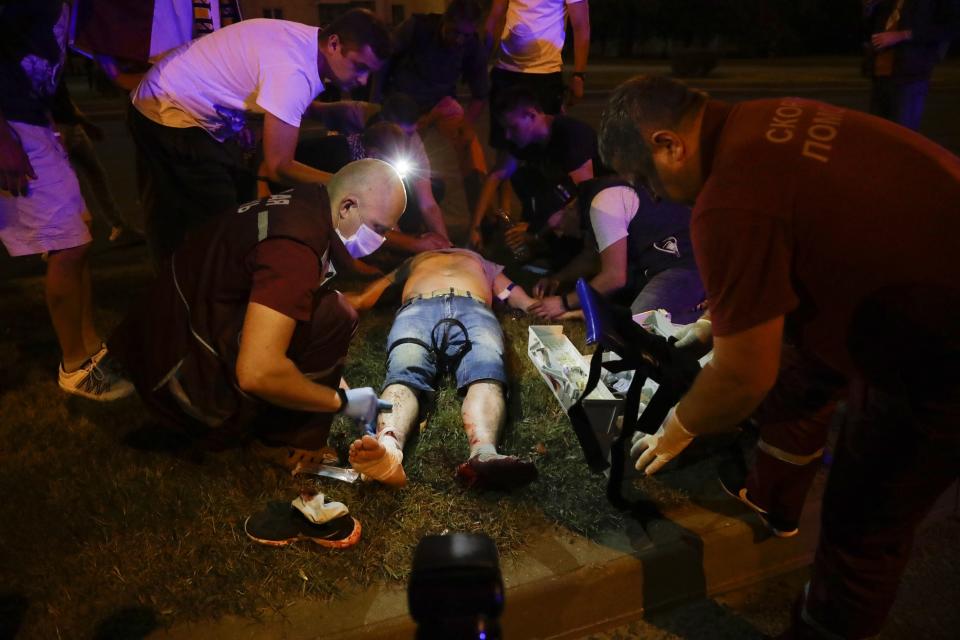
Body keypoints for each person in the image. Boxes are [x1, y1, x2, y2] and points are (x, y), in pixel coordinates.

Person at [598, 75, 960, 639]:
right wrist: (712, 325)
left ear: (669, 143)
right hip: (918, 286)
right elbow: (794, 239)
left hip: (938, 345)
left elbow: (745, 377)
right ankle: (776, 496)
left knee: (862, 525)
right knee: (811, 360)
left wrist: (676, 427)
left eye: (646, 177)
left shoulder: (727, 198)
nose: (657, 195)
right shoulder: (764, 120)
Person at [108, 160, 408, 469]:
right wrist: (341, 403)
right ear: (347, 207)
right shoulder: (295, 248)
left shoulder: (306, 205)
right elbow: (257, 372)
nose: (381, 242)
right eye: (379, 229)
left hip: (168, 343)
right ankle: (279, 439)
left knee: (320, 314)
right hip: (178, 378)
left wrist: (340, 388)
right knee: (335, 315)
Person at [128, 9, 392, 262]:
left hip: (174, 105)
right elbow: (279, 166)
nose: (363, 81)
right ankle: (190, 293)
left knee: (197, 212)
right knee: (219, 222)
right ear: (334, 44)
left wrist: (322, 112)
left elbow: (270, 85)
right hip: (167, 113)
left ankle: (180, 286)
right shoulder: (295, 70)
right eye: (360, 67)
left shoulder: (306, 42)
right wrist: (349, 184)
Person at [0, 0, 133, 401]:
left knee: (77, 236)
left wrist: (69, 120)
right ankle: (75, 366)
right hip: (14, 126)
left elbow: (48, 69)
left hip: (37, 124)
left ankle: (90, 349)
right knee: (68, 243)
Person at [344, 249, 539, 491]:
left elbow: (512, 292)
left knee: (486, 371)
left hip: (473, 307)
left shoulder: (480, 259)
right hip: (418, 307)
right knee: (404, 372)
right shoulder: (415, 258)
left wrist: (537, 304)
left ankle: (484, 454)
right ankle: (388, 451)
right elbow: (369, 295)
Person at [528, 176, 704, 324]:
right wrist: (558, 278)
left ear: (570, 207)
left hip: (685, 265)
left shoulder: (602, 204)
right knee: (628, 316)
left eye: (558, 226)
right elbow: (593, 257)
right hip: (667, 265)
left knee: (639, 328)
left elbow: (614, 277)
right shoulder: (592, 198)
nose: (560, 234)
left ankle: (703, 319)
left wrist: (563, 303)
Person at [375, 0, 490, 211]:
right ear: (444, 20)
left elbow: (480, 94)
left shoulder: (472, 45)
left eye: (466, 35)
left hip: (440, 105)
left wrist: (467, 125)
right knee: (398, 157)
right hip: (405, 103)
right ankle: (395, 212)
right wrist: (375, 102)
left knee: (471, 148)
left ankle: (481, 221)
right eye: (455, 32)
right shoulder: (417, 28)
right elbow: (384, 58)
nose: (459, 40)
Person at [468, 87, 597, 267]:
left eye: (512, 128)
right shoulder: (526, 140)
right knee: (521, 175)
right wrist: (475, 227)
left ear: (531, 115)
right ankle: (539, 242)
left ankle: (560, 247)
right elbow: (496, 175)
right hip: (566, 200)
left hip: (597, 205)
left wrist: (534, 230)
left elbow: (584, 194)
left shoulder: (571, 134)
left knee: (561, 194)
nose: (507, 135)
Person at [484, 0, 590, 148]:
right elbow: (496, 15)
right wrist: (482, 60)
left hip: (544, 73)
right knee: (505, 147)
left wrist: (579, 75)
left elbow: (581, 26)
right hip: (506, 70)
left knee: (543, 147)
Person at [862, 0, 960, 130]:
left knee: (902, 137)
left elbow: (951, 28)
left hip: (909, 75)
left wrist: (904, 35)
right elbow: (874, 28)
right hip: (880, 73)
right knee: (878, 135)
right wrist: (868, 8)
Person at [50, 78, 127, 242]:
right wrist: (54, 132)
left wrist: (85, 123)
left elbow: (65, 100)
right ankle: (59, 240)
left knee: (95, 173)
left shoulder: (53, 62)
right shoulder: (33, 63)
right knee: (63, 185)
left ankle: (117, 223)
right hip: (56, 128)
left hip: (70, 125)